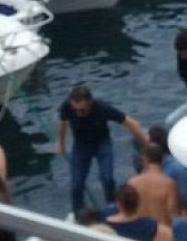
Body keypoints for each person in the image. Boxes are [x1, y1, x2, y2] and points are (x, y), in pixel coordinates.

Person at [56, 83, 149, 214]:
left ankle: (112, 209)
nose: (78, 113)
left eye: (81, 110)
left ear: (90, 103)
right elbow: (62, 122)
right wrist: (60, 143)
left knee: (107, 179)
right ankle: (78, 213)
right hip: (81, 146)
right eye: (75, 110)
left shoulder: (102, 108)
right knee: (76, 184)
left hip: (102, 144)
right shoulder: (67, 107)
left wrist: (148, 146)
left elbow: (131, 123)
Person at [126, 142, 179, 228]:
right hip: (162, 234)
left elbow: (127, 212)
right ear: (161, 160)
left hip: (138, 233)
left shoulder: (132, 183)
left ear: (145, 159)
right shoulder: (168, 184)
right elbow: (172, 213)